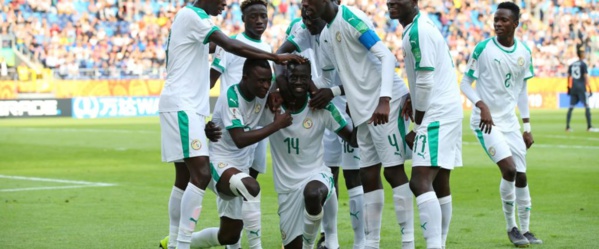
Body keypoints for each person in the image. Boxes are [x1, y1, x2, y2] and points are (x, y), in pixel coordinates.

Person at [158, 0, 302, 248]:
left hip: (192, 108)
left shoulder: (192, 20)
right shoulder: (193, 15)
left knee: (187, 177)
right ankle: (179, 244)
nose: (225, 3)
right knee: (200, 174)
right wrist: (274, 57)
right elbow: (229, 45)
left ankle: (177, 242)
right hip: (186, 107)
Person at [303, 0, 414, 248]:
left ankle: (408, 241)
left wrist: (384, 100)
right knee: (368, 174)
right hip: (362, 111)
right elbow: (328, 78)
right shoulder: (325, 35)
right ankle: (371, 243)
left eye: (309, 1)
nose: (305, 5)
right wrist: (296, 74)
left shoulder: (351, 18)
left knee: (393, 171)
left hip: (386, 103)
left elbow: (386, 57)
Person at [278, 12, 365, 249]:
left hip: (346, 103)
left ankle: (361, 242)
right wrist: (282, 87)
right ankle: (329, 239)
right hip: (318, 103)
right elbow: (279, 56)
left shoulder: (345, 26)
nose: (307, 17)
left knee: (354, 175)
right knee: (328, 173)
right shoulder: (302, 28)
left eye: (311, 12)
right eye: (304, 11)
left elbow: (364, 75)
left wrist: (333, 93)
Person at [460, 2, 542, 247]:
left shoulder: (524, 52)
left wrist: (526, 126)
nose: (498, 23)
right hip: (485, 123)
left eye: (504, 20)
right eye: (496, 19)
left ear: (515, 23)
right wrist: (481, 105)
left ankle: (526, 230)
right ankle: (512, 227)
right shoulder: (483, 48)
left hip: (510, 123)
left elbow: (522, 91)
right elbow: (465, 84)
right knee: (509, 170)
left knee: (522, 176)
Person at [188, 59, 292, 249]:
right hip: (219, 164)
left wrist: (276, 99)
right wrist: (276, 125)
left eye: (268, 81)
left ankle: (179, 243)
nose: (266, 86)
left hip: (240, 168)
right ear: (245, 78)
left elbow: (277, 99)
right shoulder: (232, 96)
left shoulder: (263, 95)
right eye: (261, 81)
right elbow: (240, 138)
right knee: (251, 187)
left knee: (229, 236)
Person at [389, 0, 463, 248]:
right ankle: (439, 243)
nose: (390, 2)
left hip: (438, 112)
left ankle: (434, 245)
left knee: (419, 181)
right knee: (439, 181)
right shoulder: (417, 26)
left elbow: (426, 80)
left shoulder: (419, 30)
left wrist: (417, 125)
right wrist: (413, 96)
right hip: (446, 108)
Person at [261, 60, 355, 249]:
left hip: (316, 175)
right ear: (283, 80)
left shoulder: (322, 107)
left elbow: (353, 140)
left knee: (312, 194)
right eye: (293, 77)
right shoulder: (271, 107)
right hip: (286, 190)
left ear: (310, 80)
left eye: (303, 78)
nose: (298, 82)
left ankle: (310, 244)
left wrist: (356, 116)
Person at [209, 1, 273, 247]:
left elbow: (270, 89)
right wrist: (207, 119)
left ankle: (232, 239)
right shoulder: (230, 45)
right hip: (229, 130)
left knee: (248, 189)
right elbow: (211, 80)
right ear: (243, 19)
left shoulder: (267, 48)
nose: (259, 21)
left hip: (255, 131)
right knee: (245, 186)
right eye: (253, 16)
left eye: (263, 16)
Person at [566, 48, 598, 132]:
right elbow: (586, 76)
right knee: (587, 106)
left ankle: (567, 126)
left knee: (571, 107)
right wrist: (589, 88)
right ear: (582, 55)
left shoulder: (572, 64)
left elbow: (569, 76)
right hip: (581, 88)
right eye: (583, 53)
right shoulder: (583, 64)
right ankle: (589, 126)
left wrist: (568, 87)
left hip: (573, 88)